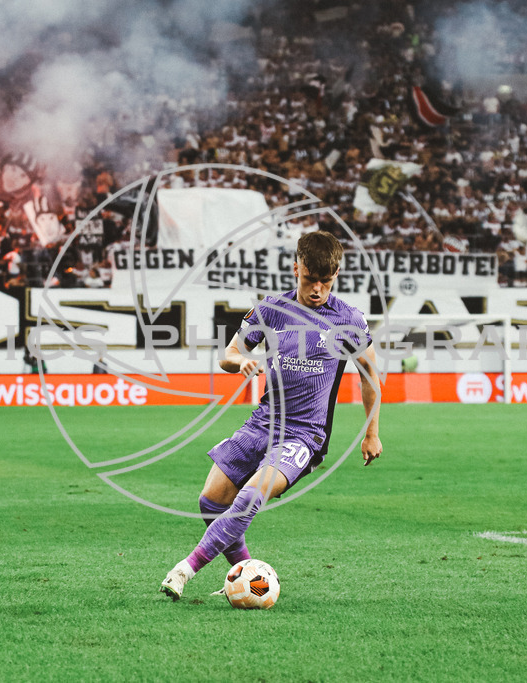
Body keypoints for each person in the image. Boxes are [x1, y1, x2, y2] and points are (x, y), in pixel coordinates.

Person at [160, 231, 382, 600]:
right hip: (263, 422)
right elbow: (227, 354)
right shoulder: (270, 310)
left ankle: (185, 570)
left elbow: (370, 376)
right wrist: (240, 361)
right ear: (296, 268)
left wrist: (371, 432)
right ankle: (248, 576)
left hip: (304, 435)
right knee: (211, 500)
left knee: (249, 497)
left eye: (326, 282)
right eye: (310, 280)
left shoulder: (348, 320)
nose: (317, 290)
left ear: (336, 276)